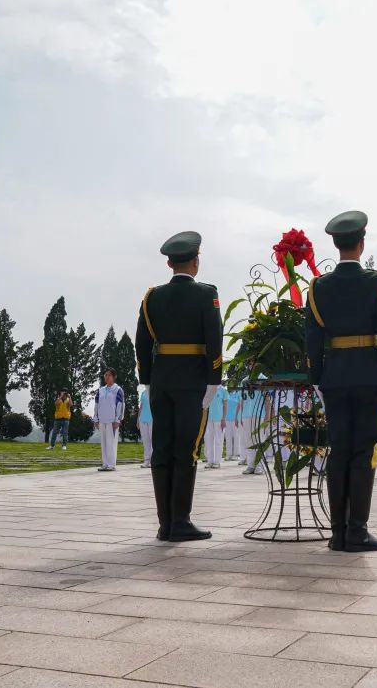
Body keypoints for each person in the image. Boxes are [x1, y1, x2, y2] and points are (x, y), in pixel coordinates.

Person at [305, 210, 377, 551]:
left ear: (335, 243)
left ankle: (337, 533)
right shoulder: (376, 281)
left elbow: (312, 338)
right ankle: (357, 530)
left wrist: (317, 377)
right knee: (364, 451)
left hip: (334, 376)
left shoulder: (318, 287)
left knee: (339, 450)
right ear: (362, 243)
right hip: (369, 375)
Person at [134, 230, 221, 542]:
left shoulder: (151, 297)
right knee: (187, 450)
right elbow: (214, 338)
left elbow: (142, 342)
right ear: (195, 262)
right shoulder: (206, 294)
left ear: (170, 262)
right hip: (192, 382)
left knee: (163, 449)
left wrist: (146, 379)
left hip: (161, 382)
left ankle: (165, 523)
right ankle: (180, 522)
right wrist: (214, 379)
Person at [94, 368, 125, 472]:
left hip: (112, 421)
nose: (106, 377)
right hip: (102, 420)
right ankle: (105, 464)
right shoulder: (101, 390)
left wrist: (118, 420)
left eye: (109, 375)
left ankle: (111, 465)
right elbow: (97, 405)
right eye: (105, 375)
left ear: (114, 377)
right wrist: (96, 419)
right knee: (104, 443)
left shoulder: (118, 390)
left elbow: (120, 405)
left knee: (111, 443)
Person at [202, 384, 227, 469]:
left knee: (218, 440)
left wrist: (223, 418)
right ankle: (210, 461)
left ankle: (217, 461)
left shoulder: (223, 390)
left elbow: (225, 405)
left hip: (219, 419)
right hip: (208, 419)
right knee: (209, 440)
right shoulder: (207, 389)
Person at [223, 381, 241, 462]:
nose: (230, 386)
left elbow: (240, 405)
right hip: (227, 419)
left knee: (236, 437)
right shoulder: (226, 393)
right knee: (228, 437)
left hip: (235, 419)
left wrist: (237, 417)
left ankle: (236, 454)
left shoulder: (238, 394)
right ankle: (228, 454)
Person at [138, 387, 153, 468]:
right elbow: (141, 406)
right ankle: (146, 461)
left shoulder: (155, 391)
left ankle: (152, 461)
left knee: (152, 441)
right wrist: (138, 419)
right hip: (142, 419)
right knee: (145, 441)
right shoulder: (143, 392)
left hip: (152, 419)